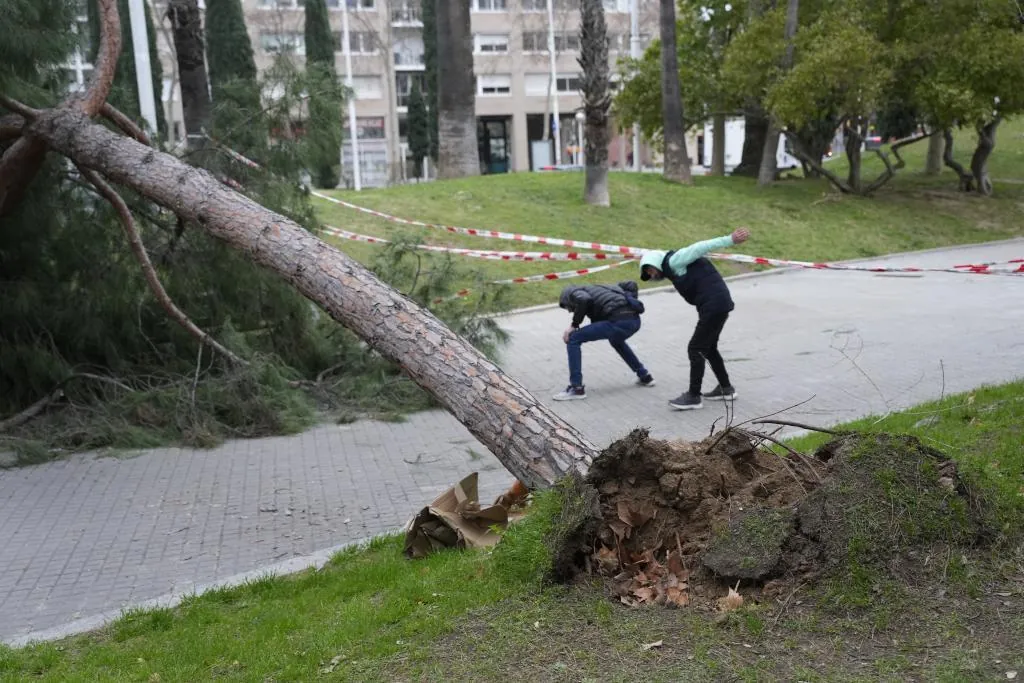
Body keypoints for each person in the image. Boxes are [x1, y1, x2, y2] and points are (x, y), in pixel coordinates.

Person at [638, 228, 751, 411]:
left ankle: (693, 396)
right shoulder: (672, 267)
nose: (651, 275)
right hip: (716, 305)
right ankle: (726, 388)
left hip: (714, 306)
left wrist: (730, 239)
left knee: (695, 348)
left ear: (654, 263)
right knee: (709, 348)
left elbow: (700, 247)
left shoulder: (674, 260)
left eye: (649, 270)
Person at [552, 281, 654, 401]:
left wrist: (574, 325)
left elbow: (584, 300)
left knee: (573, 338)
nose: (570, 311)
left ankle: (576, 388)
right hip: (634, 321)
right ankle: (644, 376)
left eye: (568, 308)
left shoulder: (575, 293)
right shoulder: (604, 288)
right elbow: (631, 284)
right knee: (616, 341)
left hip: (617, 322)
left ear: (567, 298)